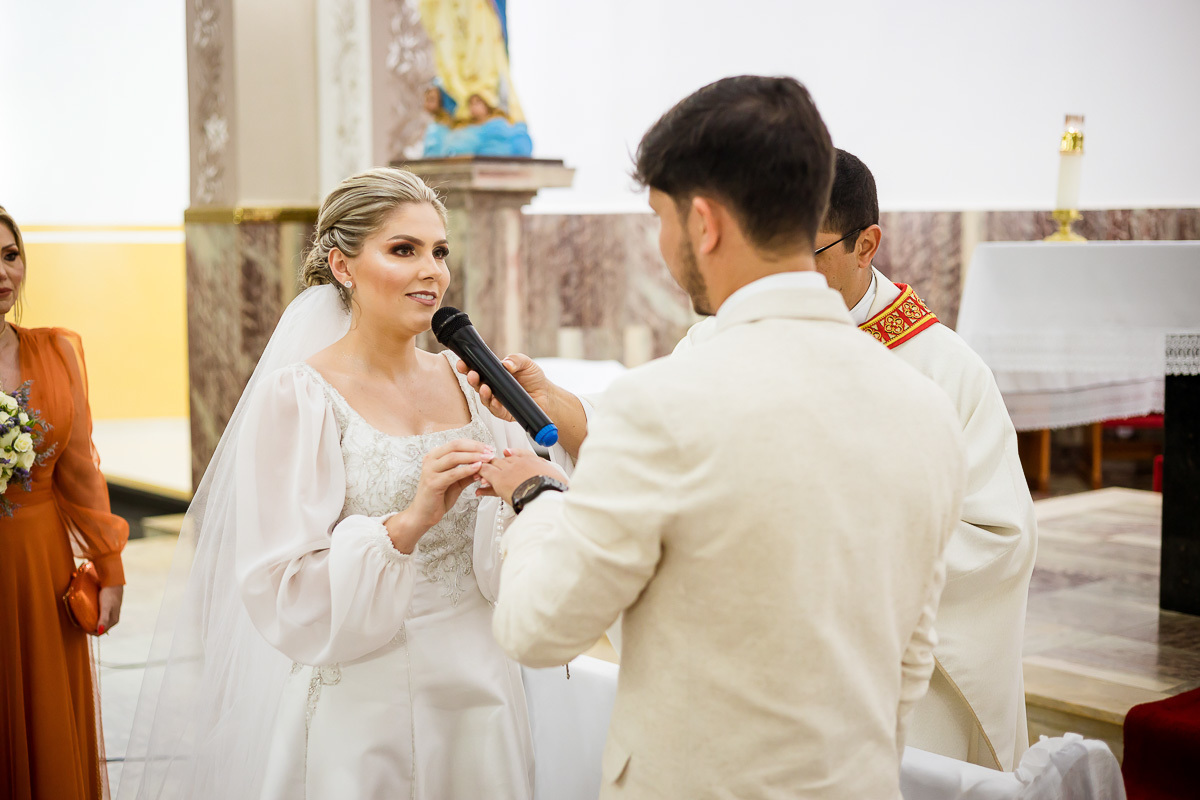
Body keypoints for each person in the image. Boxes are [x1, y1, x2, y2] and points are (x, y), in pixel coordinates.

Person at [473, 76, 968, 799]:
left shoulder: (663, 405)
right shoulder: (925, 407)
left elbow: (538, 627)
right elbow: (911, 660)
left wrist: (538, 499)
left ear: (703, 223)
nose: (665, 246)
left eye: (661, 220)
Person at [120, 168, 573, 799]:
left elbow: (539, 522)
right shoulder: (302, 397)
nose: (432, 272)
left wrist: (525, 490)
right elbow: (281, 581)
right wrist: (406, 524)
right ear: (342, 266)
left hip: (482, 687)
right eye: (403, 250)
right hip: (367, 693)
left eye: (439, 251)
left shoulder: (473, 383)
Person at [668, 150, 1038, 770]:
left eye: (800, 256)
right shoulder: (717, 338)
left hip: (888, 684)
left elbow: (999, 538)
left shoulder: (945, 373)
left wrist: (838, 544)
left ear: (865, 245)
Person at [0, 206, 129, 799]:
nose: (4, 273)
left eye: (10, 255)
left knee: (46, 714)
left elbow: (80, 470)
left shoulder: (55, 353)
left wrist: (110, 569)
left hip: (42, 562)